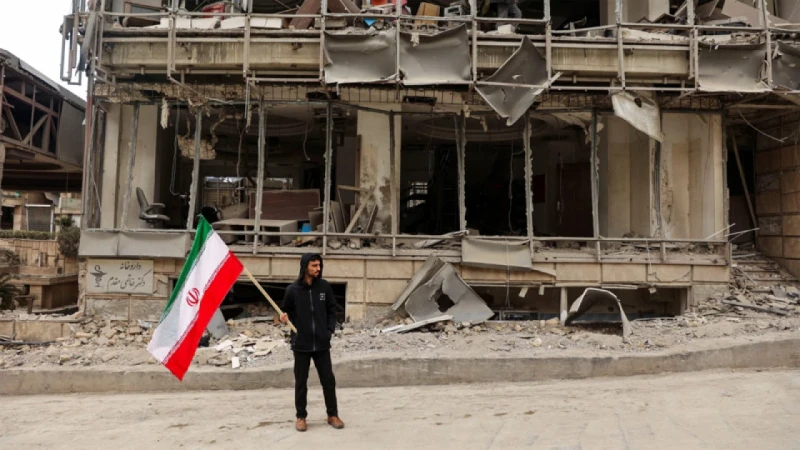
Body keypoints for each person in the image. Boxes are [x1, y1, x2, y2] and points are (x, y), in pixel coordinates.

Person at [280, 253, 344, 432]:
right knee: (301, 382)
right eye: (314, 265)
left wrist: (329, 330)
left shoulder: (324, 287)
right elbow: (286, 312)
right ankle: (301, 416)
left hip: (322, 343)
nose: (318, 269)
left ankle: (333, 415)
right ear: (305, 267)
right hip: (301, 343)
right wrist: (284, 318)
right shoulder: (292, 290)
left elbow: (331, 310)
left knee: (328, 380)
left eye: (319, 265)